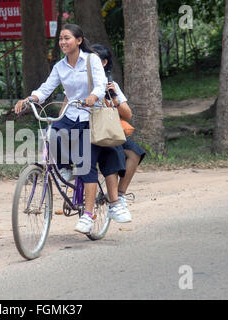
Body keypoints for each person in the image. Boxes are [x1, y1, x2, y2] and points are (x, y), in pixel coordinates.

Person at [15, 24, 110, 234]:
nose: (63, 42)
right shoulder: (60, 66)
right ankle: (65, 167)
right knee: (52, 134)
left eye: (67, 38)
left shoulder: (91, 60)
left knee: (86, 166)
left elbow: (101, 84)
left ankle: (87, 215)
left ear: (78, 40)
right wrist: (30, 98)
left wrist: (94, 96)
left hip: (90, 115)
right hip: (70, 113)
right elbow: (46, 88)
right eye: (60, 39)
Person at [91, 44, 146, 217]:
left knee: (135, 153)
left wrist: (113, 98)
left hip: (107, 130)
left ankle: (119, 196)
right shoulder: (82, 81)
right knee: (111, 152)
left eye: (95, 60)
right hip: (88, 129)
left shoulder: (110, 85)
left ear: (104, 62)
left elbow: (128, 114)